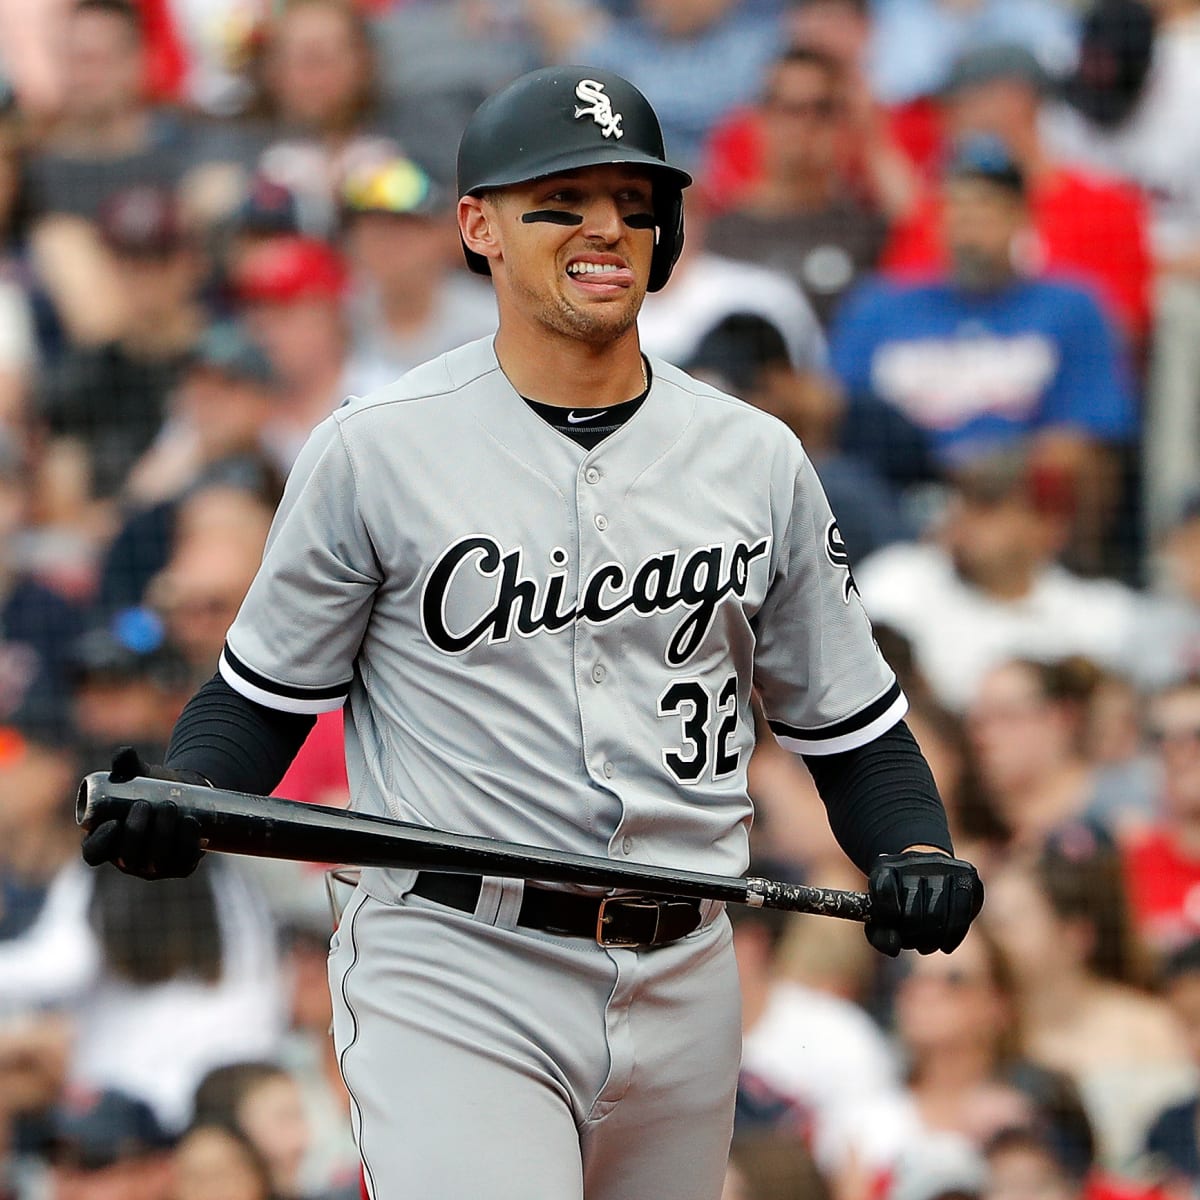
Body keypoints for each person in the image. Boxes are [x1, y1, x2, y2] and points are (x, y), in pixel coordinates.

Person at [79, 66, 983, 1200]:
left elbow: (854, 728)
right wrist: (188, 791)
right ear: (479, 228)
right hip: (460, 959)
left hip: (688, 964)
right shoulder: (376, 448)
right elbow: (261, 700)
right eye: (562, 200)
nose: (606, 225)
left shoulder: (756, 459)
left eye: (634, 201)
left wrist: (916, 850)